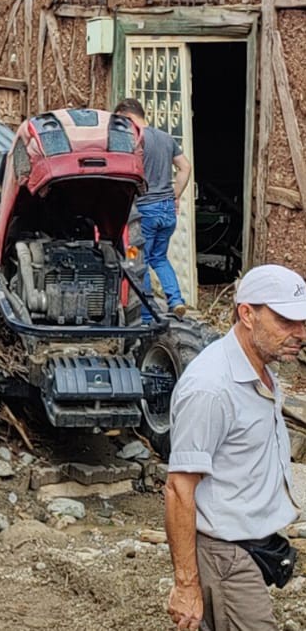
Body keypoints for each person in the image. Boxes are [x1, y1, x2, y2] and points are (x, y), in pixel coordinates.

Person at [165, 264, 306, 631]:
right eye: (287, 321)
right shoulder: (211, 388)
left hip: (251, 545)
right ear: (247, 314)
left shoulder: (260, 368)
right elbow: (179, 488)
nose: (300, 333)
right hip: (225, 554)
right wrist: (186, 585)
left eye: (303, 322)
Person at [115, 98, 193, 318]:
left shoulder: (134, 139)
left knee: (141, 261)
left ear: (126, 116)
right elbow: (185, 167)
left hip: (145, 210)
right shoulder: (167, 138)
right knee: (159, 258)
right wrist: (174, 194)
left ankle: (148, 313)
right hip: (167, 210)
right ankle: (176, 300)